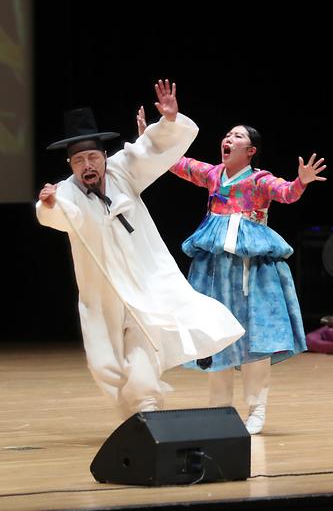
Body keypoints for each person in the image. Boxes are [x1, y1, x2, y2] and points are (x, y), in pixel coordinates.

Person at [35, 80, 245, 420]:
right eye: (78, 160)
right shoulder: (67, 192)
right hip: (104, 292)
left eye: (92, 157)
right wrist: (48, 204)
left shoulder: (121, 170)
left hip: (143, 282)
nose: (87, 165)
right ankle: (133, 413)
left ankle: (147, 409)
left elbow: (148, 148)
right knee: (106, 364)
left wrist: (169, 121)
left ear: (103, 156)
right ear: (71, 164)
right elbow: (58, 215)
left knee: (144, 344)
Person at [149, 111, 326, 434]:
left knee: (255, 339)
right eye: (227, 135)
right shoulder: (214, 175)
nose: (228, 139)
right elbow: (177, 164)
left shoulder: (258, 181)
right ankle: (219, 411)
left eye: (237, 136)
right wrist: (157, 135)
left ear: (251, 151)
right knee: (217, 337)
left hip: (251, 270)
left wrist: (301, 181)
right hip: (215, 268)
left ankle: (256, 408)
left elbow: (285, 193)